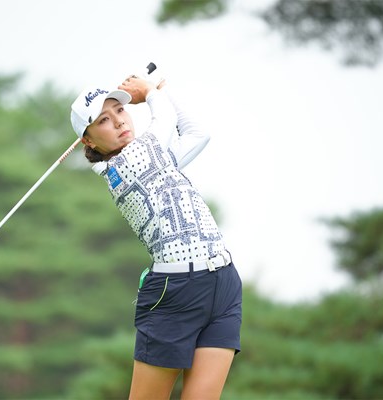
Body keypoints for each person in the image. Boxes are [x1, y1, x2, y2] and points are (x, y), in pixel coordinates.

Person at [70, 70, 242, 400]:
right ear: (89, 141)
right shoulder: (127, 163)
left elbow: (198, 134)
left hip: (223, 282)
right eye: (104, 120)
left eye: (120, 110)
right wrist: (150, 92)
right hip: (174, 292)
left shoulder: (156, 158)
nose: (120, 122)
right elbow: (163, 121)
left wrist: (162, 92)